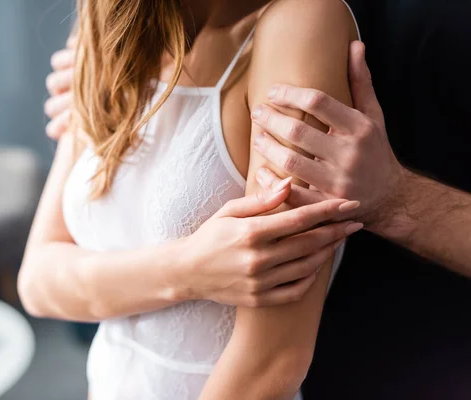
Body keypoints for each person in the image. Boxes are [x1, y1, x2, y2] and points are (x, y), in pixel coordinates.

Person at [44, 1, 471, 399]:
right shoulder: (108, 27)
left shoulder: (302, 24)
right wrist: (188, 268)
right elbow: (40, 278)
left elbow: (271, 363)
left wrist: (396, 197)